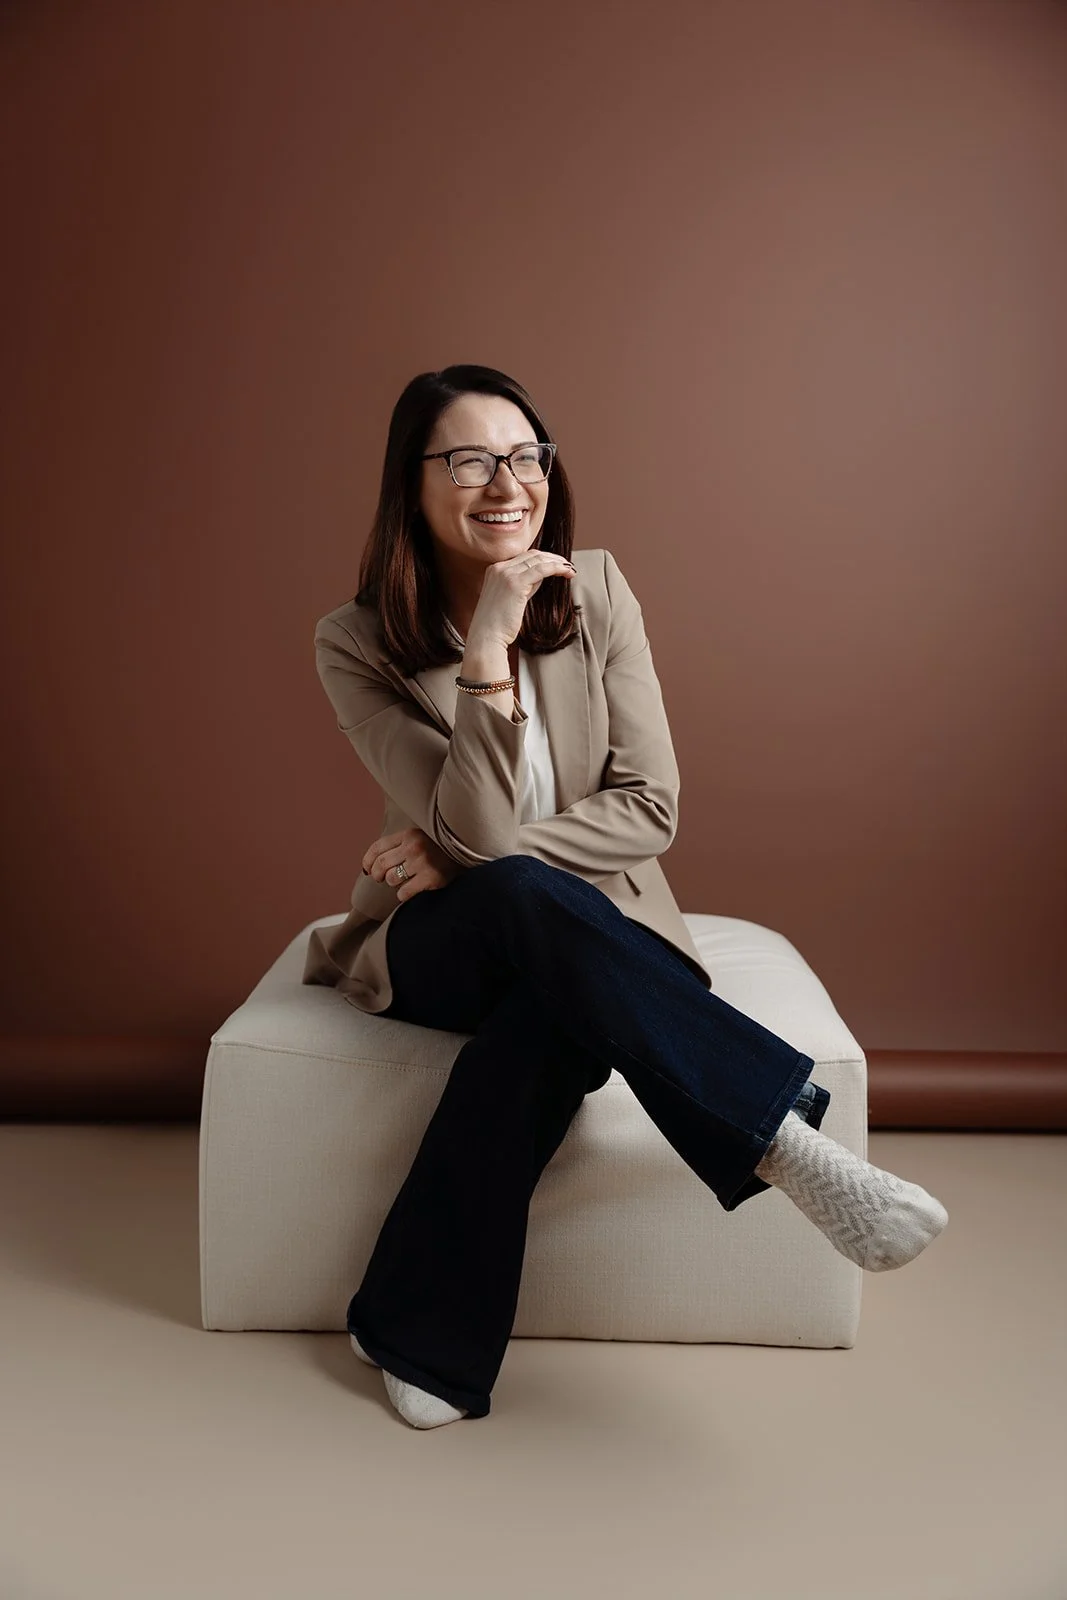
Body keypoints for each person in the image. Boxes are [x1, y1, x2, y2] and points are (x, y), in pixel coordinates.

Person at [302, 363, 949, 1430]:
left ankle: (409, 1332)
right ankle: (775, 1132)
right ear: (410, 486)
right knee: (510, 892)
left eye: (525, 455)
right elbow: (478, 836)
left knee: (551, 1011)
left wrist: (476, 850)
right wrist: (487, 646)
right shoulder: (354, 639)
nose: (505, 481)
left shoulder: (596, 587)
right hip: (434, 941)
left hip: (583, 932)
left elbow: (649, 807)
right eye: (468, 459)